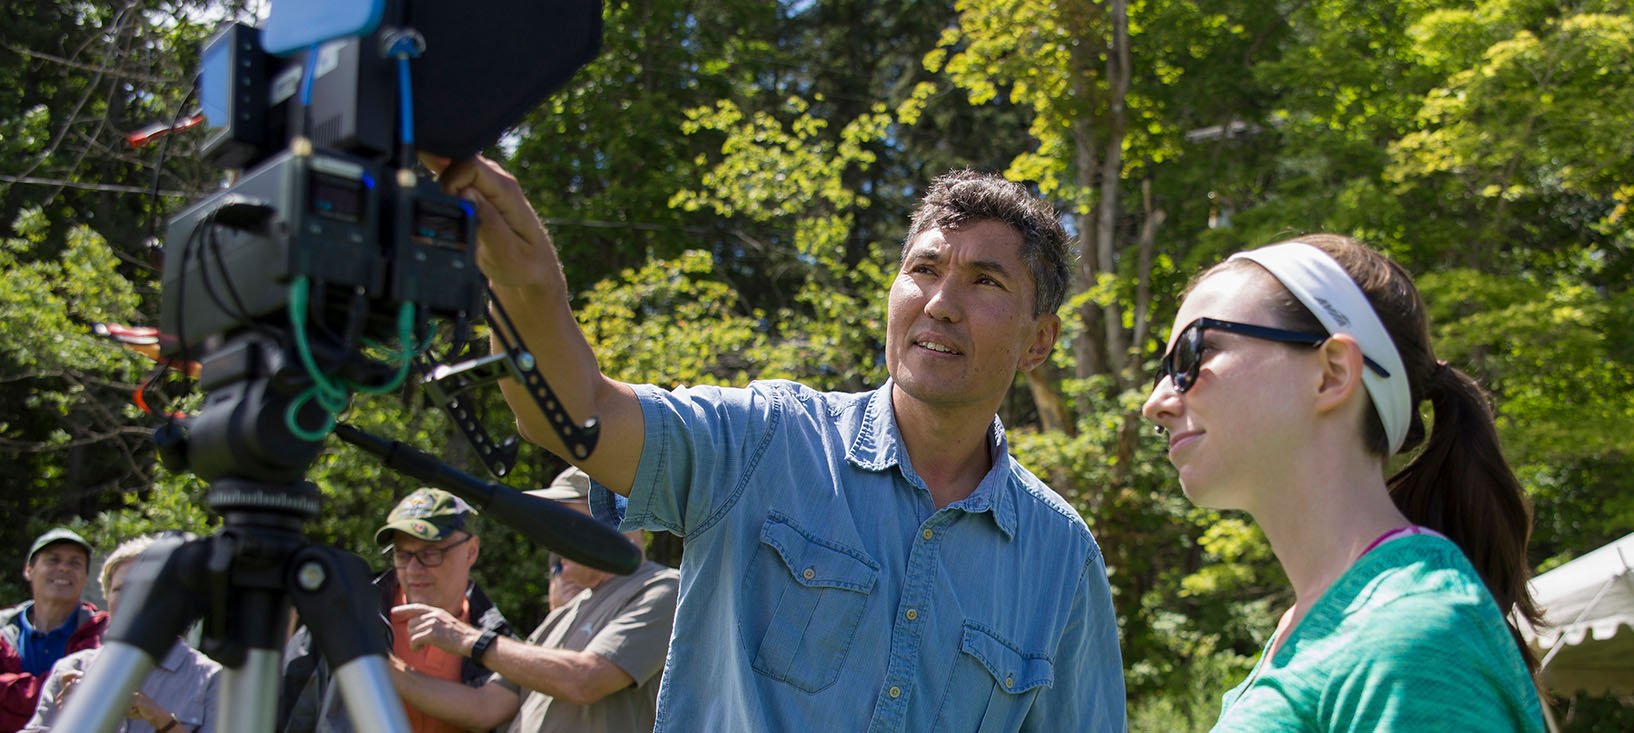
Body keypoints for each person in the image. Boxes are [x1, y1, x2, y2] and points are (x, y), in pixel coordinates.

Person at [431, 155, 1126, 730]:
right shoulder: (766, 439)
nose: (940, 300)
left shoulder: (1061, 557)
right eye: (924, 268)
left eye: (985, 281)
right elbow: (570, 414)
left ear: (1039, 340)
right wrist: (523, 281)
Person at [1140, 234, 1544, 731]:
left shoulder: (1410, 628)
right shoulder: (1333, 625)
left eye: (1194, 354)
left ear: (1332, 374)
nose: (1155, 403)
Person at [387, 466, 680, 732]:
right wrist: (381, 667)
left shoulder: (661, 589)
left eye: (562, 519)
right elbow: (485, 707)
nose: (549, 534)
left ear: (616, 517)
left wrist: (465, 637)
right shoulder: (565, 613)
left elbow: (586, 680)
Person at [277, 488, 513, 733]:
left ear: (471, 550)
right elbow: (286, 711)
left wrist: (378, 665)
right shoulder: (345, 616)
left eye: (430, 553)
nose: (413, 569)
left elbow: (495, 711)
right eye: (402, 554)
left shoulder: (498, 640)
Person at [22, 534, 221, 732]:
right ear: (106, 598)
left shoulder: (210, 678)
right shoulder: (70, 669)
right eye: (120, 590)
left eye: (144, 589)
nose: (130, 600)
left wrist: (158, 717)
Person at [2, 528, 108, 732]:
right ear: (28, 570)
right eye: (53, 560)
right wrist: (58, 687)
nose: (64, 568)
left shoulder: (105, 634)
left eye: (75, 563)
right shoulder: (1, 629)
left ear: (86, 577)